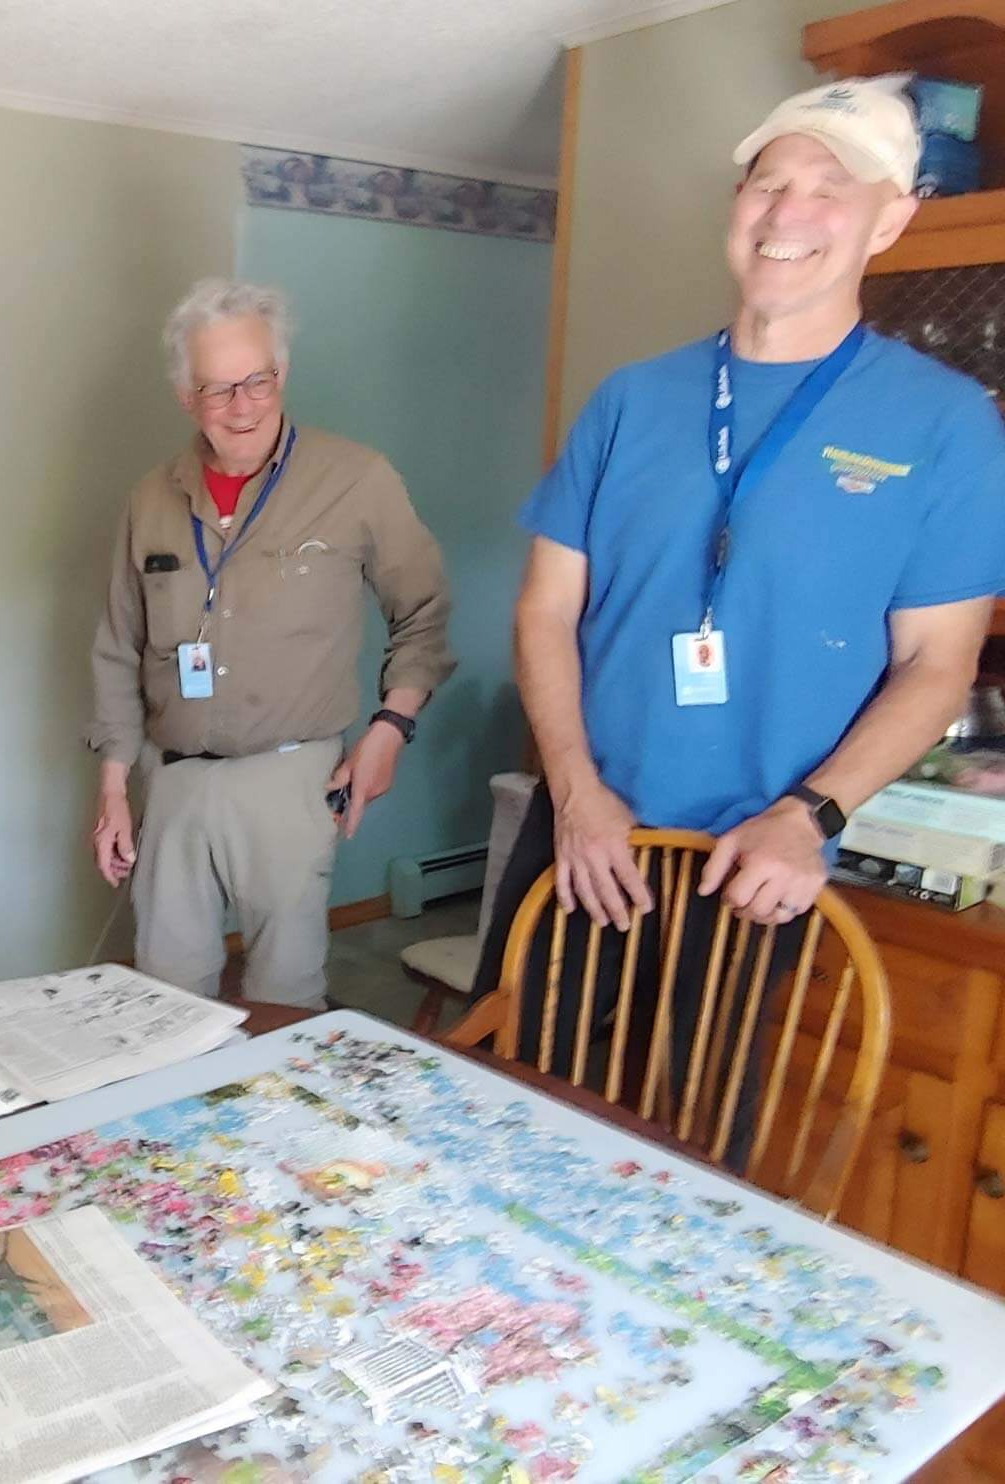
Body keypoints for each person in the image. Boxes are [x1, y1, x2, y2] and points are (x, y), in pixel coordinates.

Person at [479, 78, 1005, 1108]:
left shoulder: (943, 426)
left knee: (691, 1149)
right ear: (736, 205)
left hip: (754, 858)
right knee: (510, 1110)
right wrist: (577, 794)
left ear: (889, 219)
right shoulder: (630, 399)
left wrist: (807, 817)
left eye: (828, 189)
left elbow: (934, 665)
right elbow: (542, 610)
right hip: (587, 832)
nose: (786, 215)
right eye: (767, 183)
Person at [87, 278, 455, 1005]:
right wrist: (113, 790)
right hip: (173, 782)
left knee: (284, 1001)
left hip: (291, 778)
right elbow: (117, 647)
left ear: (280, 374)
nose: (242, 405)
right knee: (165, 1001)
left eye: (256, 380)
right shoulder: (150, 499)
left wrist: (391, 728)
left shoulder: (356, 479)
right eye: (217, 388)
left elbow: (424, 612)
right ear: (186, 397)